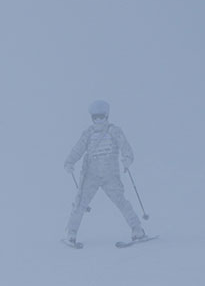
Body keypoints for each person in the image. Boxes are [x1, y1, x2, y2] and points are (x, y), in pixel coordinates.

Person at [62, 99, 146, 248]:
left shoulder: (115, 131)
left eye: (101, 116)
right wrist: (69, 162)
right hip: (90, 176)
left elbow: (126, 148)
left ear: (107, 116)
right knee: (80, 203)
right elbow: (78, 149)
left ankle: (137, 229)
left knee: (121, 202)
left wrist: (127, 160)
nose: (98, 120)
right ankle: (71, 234)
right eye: (95, 117)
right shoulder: (88, 133)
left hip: (110, 175)